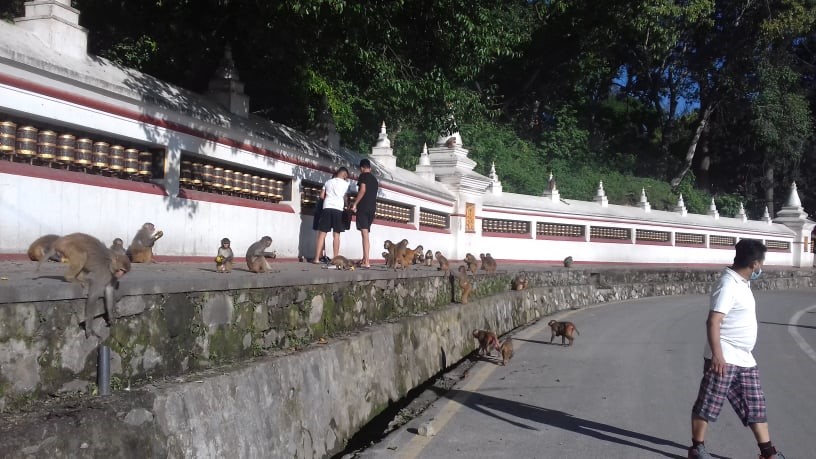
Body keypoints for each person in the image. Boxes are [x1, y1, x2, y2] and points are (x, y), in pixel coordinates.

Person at [688, 239, 784, 459]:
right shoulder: (728, 284)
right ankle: (697, 448)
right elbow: (713, 321)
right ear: (755, 264)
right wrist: (718, 357)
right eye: (761, 262)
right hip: (725, 357)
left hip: (745, 358)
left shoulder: (742, 281)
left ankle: (768, 452)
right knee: (709, 403)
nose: (762, 267)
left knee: (755, 405)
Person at [312, 167, 350, 264]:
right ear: (345, 175)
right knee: (336, 235)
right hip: (338, 210)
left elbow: (321, 196)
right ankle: (335, 259)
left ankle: (316, 258)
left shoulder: (328, 182)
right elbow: (345, 197)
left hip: (327, 208)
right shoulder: (346, 184)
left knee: (322, 234)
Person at [350, 158, 378, 269]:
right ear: (370, 168)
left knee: (364, 235)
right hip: (372, 209)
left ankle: (366, 261)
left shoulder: (363, 176)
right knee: (366, 234)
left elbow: (362, 190)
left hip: (363, 208)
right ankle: (364, 259)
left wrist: (355, 204)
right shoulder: (375, 180)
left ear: (362, 168)